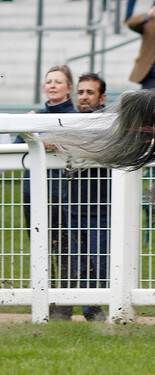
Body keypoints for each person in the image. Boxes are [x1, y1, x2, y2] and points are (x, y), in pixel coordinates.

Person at [18, 66, 77, 320]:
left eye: (58, 82)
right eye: (49, 82)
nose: (52, 85)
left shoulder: (75, 116)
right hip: (33, 191)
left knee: (63, 248)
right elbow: (19, 145)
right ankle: (46, 301)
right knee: (40, 248)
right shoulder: (33, 117)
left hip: (62, 193)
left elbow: (67, 144)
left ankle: (64, 306)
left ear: (69, 88)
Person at [71, 73, 110, 322]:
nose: (84, 97)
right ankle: (89, 308)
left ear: (102, 97)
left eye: (90, 93)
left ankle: (98, 306)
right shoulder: (67, 120)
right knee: (80, 261)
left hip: (103, 207)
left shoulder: (109, 121)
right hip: (73, 205)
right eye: (81, 92)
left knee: (102, 262)